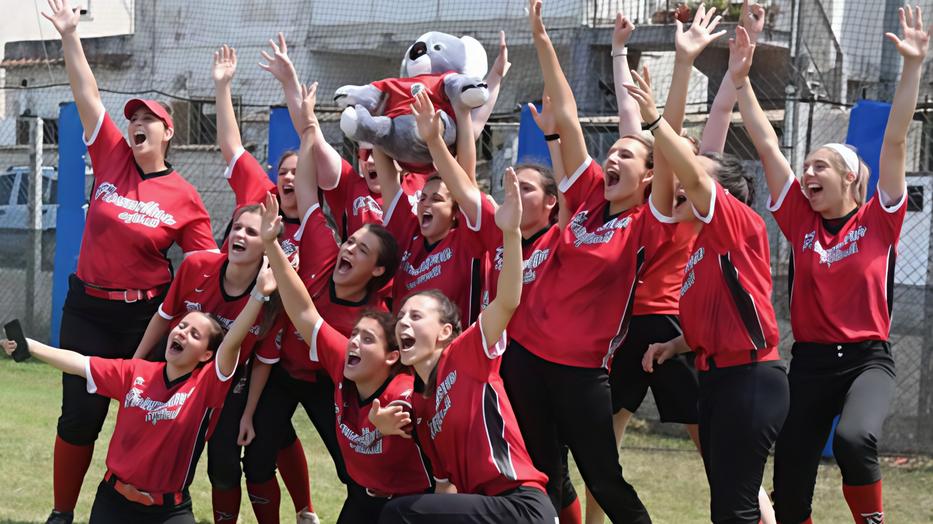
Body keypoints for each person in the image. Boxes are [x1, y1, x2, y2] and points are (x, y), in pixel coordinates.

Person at [730, 6, 929, 523]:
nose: (808, 171)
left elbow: (896, 140)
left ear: (849, 179)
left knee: (854, 438)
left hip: (867, 358)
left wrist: (912, 68)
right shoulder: (801, 221)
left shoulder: (877, 220)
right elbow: (767, 143)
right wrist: (741, 79)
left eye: (821, 165)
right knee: (791, 475)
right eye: (808, 165)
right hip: (812, 363)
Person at [496, 2, 677, 521]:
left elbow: (670, 161)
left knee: (604, 477)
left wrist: (655, 119)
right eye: (613, 152)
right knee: (541, 471)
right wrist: (541, 37)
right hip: (528, 356)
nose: (613, 158)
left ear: (648, 176)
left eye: (628, 155)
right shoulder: (593, 196)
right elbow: (569, 115)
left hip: (581, 372)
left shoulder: (649, 222)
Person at [39, 2, 217, 522]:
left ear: (168, 135)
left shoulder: (185, 196)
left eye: (150, 119)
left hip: (146, 317)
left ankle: (158, 507)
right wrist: (71, 35)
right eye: (133, 117)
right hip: (88, 310)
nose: (137, 123)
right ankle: (62, 513)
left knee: (150, 413)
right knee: (81, 415)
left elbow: (204, 266)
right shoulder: (112, 155)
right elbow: (87, 93)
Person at [627, 34, 789, 523]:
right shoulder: (697, 249)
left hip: (751, 379)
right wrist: (674, 347)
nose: (682, 180)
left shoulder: (737, 222)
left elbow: (696, 178)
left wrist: (657, 120)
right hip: (718, 380)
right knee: (733, 507)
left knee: (734, 510)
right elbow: (705, 327)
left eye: (695, 172)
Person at [1, 264, 276, 523]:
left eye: (195, 334)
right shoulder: (136, 373)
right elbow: (80, 363)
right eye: (181, 327)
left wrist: (258, 294)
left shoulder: (207, 386)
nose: (182, 334)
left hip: (169, 511)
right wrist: (31, 346)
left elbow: (232, 343)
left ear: (206, 354)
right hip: (113, 502)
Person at [241, 84, 400, 523]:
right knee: (254, 462)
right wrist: (310, 124)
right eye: (350, 241)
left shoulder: (373, 323)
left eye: (362, 251)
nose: (348, 250)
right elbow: (308, 191)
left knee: (355, 472)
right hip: (285, 371)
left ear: (379, 273)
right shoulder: (323, 246)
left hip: (330, 386)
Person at [373, 166, 556, 524]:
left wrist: (510, 233)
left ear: (444, 332)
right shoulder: (422, 404)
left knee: (399, 515)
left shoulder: (467, 352)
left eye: (417, 317)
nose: (404, 323)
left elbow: (507, 300)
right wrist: (379, 423)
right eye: (402, 316)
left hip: (522, 507)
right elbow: (445, 489)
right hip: (485, 509)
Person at [260, 192, 433, 522]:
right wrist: (271, 244)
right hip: (364, 500)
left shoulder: (402, 396)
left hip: (410, 506)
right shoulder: (342, 360)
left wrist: (388, 425)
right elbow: (304, 312)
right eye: (354, 335)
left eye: (366, 339)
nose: (353, 343)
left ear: (391, 356)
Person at [259, 32, 511, 241]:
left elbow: (469, 137)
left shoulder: (422, 183)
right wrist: (289, 84)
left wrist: (494, 78)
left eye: (432, 198)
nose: (370, 161)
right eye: (365, 154)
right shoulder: (349, 185)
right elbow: (310, 133)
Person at [208, 44, 315, 523]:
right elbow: (232, 147)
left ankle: (307, 511)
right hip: (255, 350)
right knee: (258, 442)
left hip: (306, 355)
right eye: (284, 171)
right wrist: (223, 86)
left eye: (299, 171)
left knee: (289, 437)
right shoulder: (259, 201)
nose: (289, 177)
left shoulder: (322, 220)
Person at [375, 91, 500, 325]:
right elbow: (388, 178)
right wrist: (380, 121)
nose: (425, 203)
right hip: (409, 352)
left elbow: (466, 178)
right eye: (422, 198)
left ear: (455, 213)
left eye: (437, 199)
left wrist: (459, 114)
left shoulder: (467, 240)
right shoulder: (409, 234)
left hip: (452, 353)